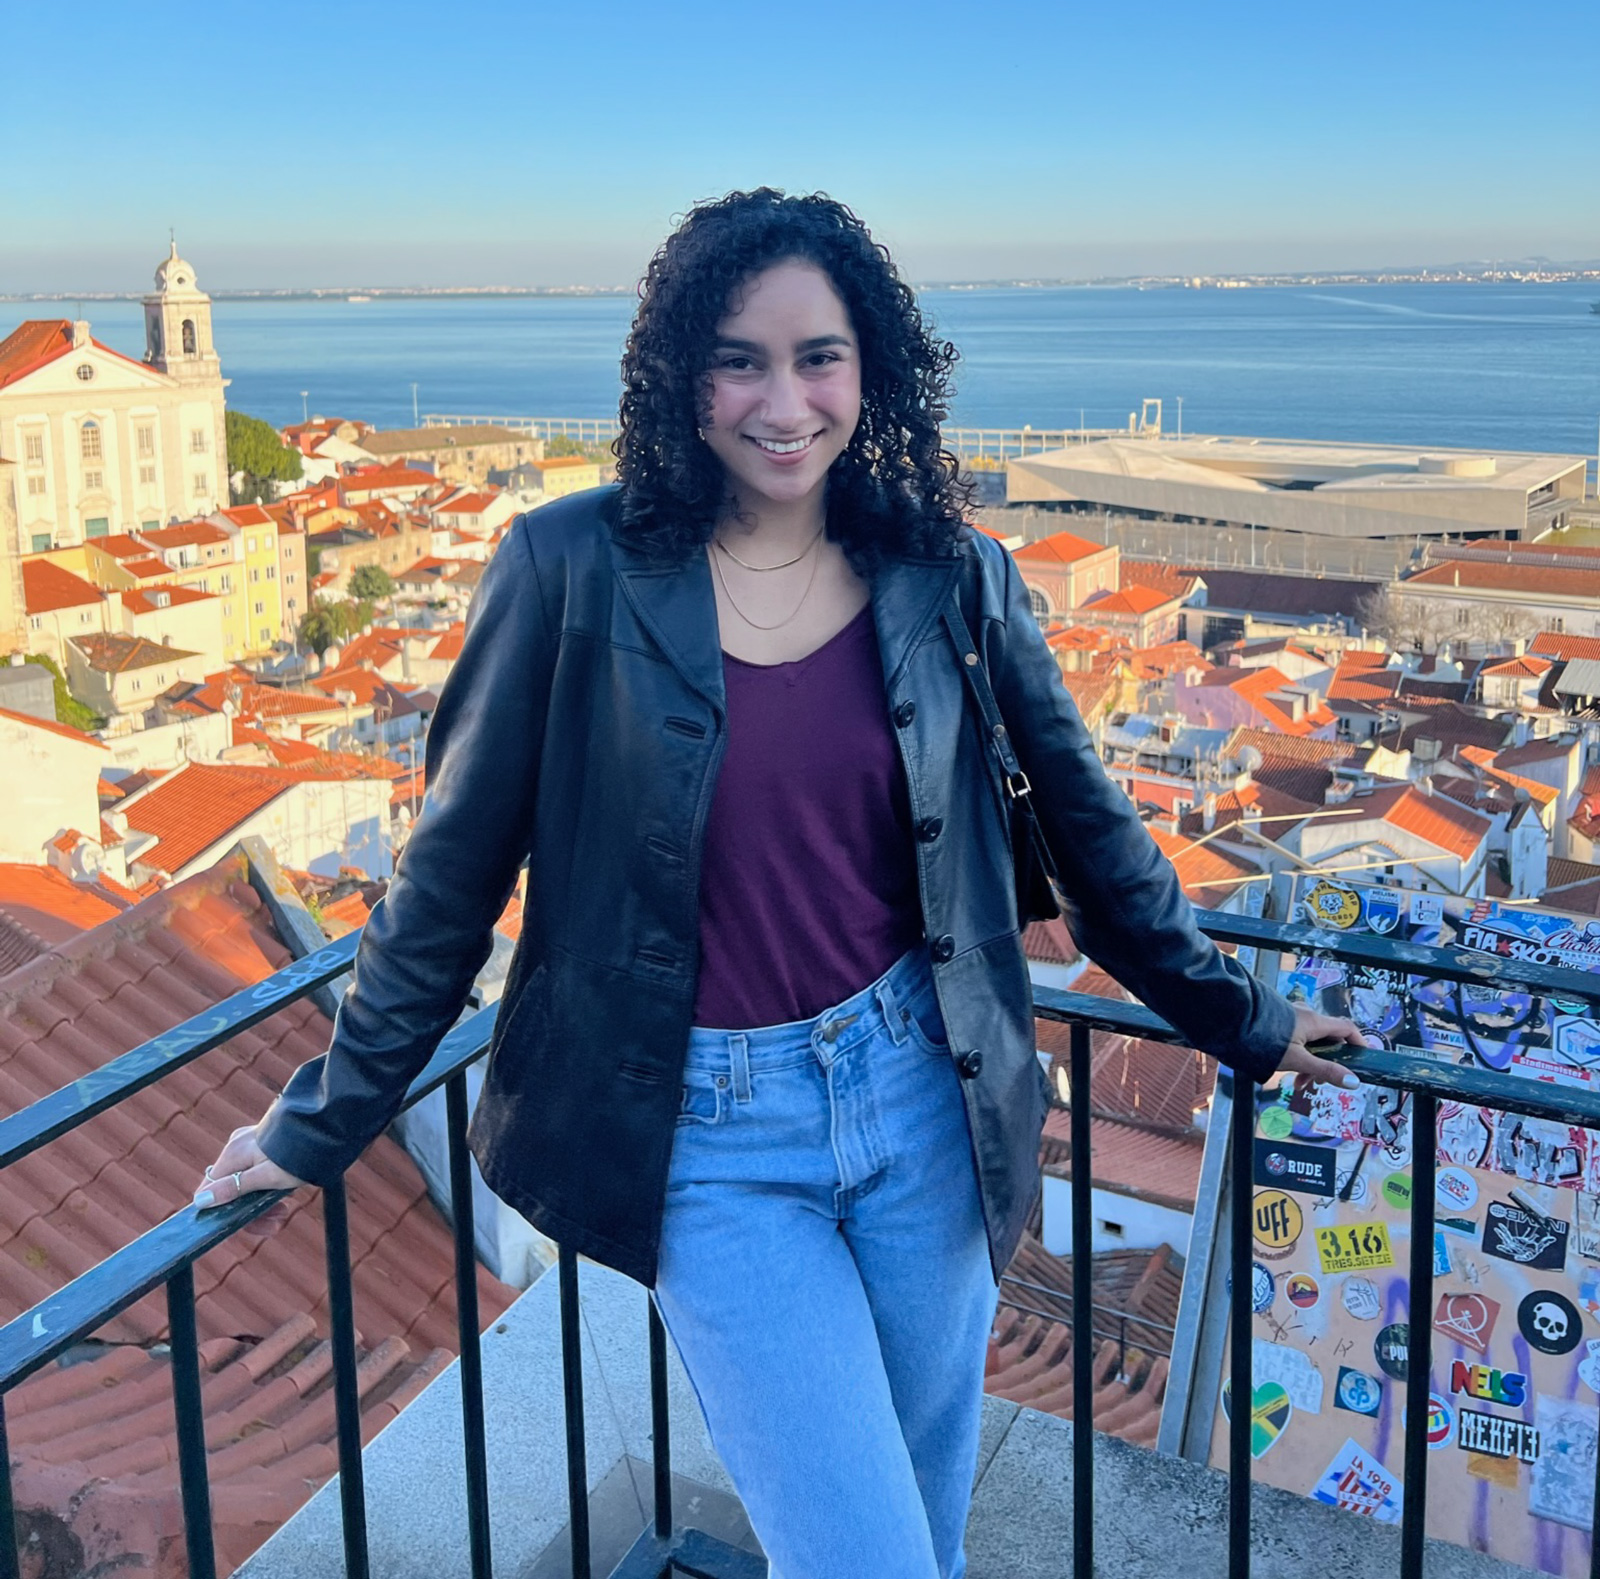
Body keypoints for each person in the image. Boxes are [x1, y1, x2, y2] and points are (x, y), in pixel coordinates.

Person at [196, 189, 1362, 1579]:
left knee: (915, 1532)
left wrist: (1245, 1020)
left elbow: (1093, 836)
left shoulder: (950, 576)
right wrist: (319, 1124)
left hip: (926, 1096)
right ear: (680, 380)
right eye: (738, 359)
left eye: (819, 356)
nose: (783, 399)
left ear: (872, 371)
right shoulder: (568, 571)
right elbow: (447, 881)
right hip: (709, 1139)